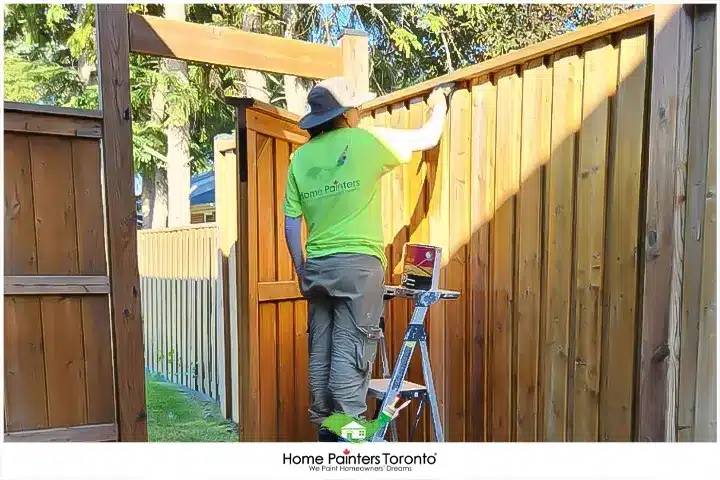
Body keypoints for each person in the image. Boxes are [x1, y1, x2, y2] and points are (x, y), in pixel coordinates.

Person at [283, 76, 451, 442]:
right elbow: (428, 137)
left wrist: (301, 269)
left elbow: (291, 223)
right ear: (346, 113)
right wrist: (439, 103)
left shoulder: (300, 158)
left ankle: (328, 448)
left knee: (322, 362)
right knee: (349, 368)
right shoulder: (366, 141)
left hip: (317, 270)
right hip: (358, 269)